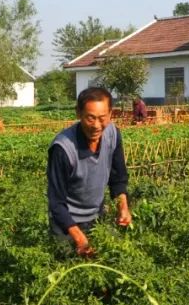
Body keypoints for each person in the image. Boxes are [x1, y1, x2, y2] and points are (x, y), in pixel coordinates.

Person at [47, 87, 132, 256]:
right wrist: (80, 239)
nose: (97, 126)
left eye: (102, 118)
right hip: (67, 224)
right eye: (90, 118)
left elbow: (118, 179)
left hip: (96, 218)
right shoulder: (63, 149)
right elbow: (56, 203)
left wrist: (123, 207)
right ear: (78, 113)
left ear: (110, 114)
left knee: (109, 261)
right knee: (70, 270)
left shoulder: (112, 134)